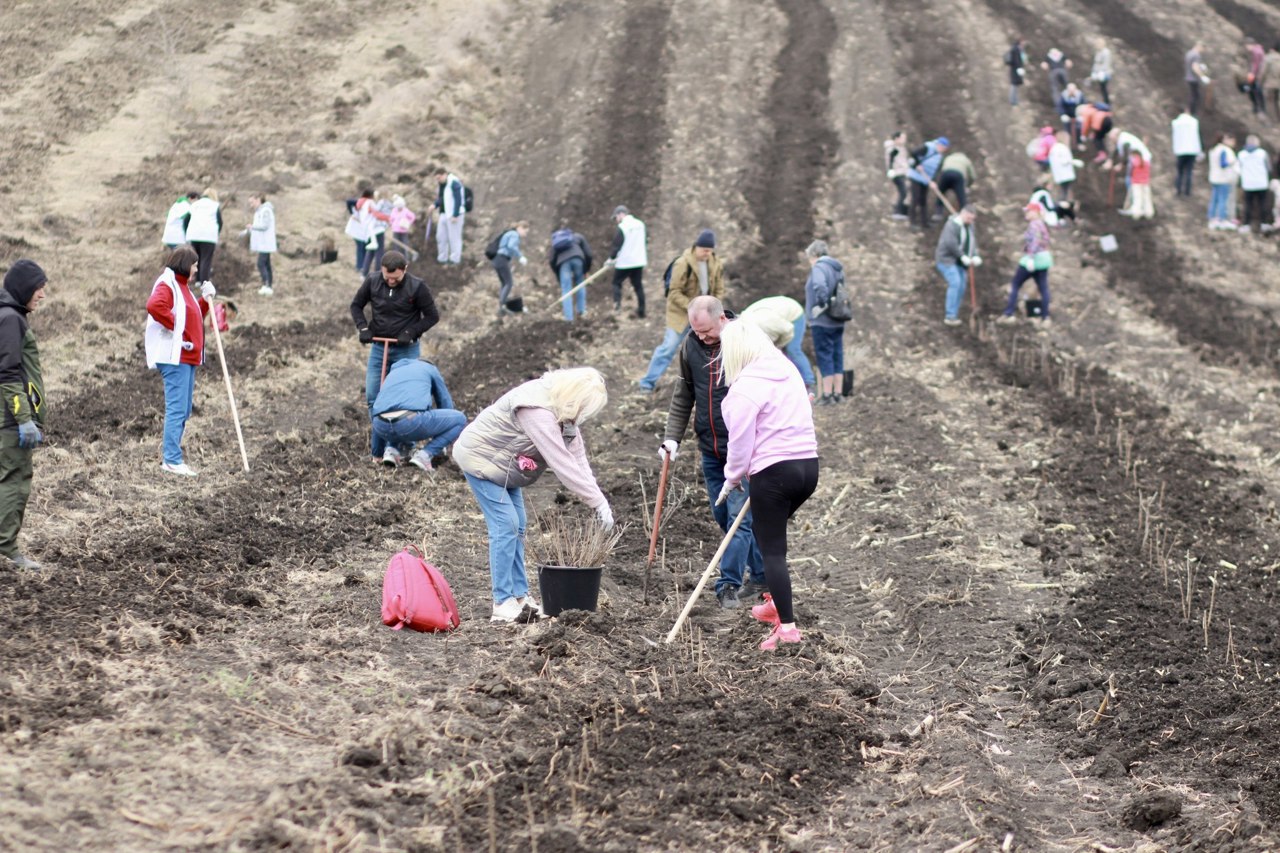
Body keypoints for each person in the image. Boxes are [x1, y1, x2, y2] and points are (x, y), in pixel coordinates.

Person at [453, 367, 613, 623]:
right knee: (506, 525)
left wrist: (600, 501)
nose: (583, 414)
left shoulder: (563, 412)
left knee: (519, 526)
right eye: (584, 407)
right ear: (573, 397)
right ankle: (502, 602)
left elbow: (578, 457)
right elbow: (562, 462)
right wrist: (594, 500)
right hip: (480, 460)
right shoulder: (537, 409)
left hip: (504, 466)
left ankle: (521, 596)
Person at [717, 320, 819, 651]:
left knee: (772, 550)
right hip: (807, 469)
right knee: (769, 538)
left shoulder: (744, 387)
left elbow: (740, 444)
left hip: (773, 473)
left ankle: (786, 629)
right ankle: (776, 600)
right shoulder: (787, 370)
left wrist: (732, 477)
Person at [659, 296, 764, 609]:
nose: (701, 337)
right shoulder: (691, 346)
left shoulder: (745, 343)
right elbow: (684, 392)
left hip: (742, 450)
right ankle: (761, 573)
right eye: (695, 330)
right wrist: (672, 438)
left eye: (706, 332)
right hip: (710, 447)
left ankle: (727, 586)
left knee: (737, 521)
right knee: (723, 517)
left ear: (722, 319)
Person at [349, 251, 440, 464]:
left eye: (396, 278)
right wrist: (363, 327)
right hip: (380, 347)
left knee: (403, 399)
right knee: (374, 397)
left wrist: (411, 333)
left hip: (406, 350)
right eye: (387, 277)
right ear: (381, 270)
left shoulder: (417, 287)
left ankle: (400, 446)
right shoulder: (372, 281)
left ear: (405, 270)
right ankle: (379, 451)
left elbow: (432, 316)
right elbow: (356, 306)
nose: (390, 282)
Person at [145, 246, 215, 477]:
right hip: (175, 357)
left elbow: (193, 316)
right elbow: (155, 306)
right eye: (194, 264)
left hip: (187, 356)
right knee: (176, 409)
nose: (196, 269)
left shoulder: (182, 287)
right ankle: (172, 460)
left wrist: (205, 301)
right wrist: (176, 326)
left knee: (183, 410)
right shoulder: (168, 284)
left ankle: (172, 457)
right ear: (185, 264)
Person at [0, 260, 49, 569]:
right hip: (9, 420)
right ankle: (7, 549)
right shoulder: (10, 320)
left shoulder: (9, 316)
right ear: (23, 289)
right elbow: (7, 373)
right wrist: (24, 419)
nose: (42, 295)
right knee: (15, 480)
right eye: (38, 288)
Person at [637, 229, 723, 392]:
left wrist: (714, 307)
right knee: (668, 348)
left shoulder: (715, 263)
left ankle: (703, 386)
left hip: (705, 317)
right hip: (681, 315)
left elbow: (719, 288)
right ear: (697, 247)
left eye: (710, 251)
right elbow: (674, 292)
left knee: (705, 351)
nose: (707, 254)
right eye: (705, 250)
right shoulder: (683, 263)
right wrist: (695, 307)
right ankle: (647, 383)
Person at [370, 358, 466, 473]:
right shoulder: (430, 369)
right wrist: (440, 441)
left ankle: (391, 451)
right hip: (410, 422)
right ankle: (425, 455)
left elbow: (378, 412)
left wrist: (377, 453)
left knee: (393, 412)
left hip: (380, 425)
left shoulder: (394, 372)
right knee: (459, 419)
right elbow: (445, 402)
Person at [740, 295, 817, 394]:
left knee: (792, 350)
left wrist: (779, 346)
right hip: (775, 313)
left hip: (794, 314)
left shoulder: (768, 324)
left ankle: (809, 382)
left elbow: (788, 331)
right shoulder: (743, 325)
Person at [803, 240, 848, 405]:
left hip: (822, 320)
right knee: (837, 354)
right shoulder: (837, 268)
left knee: (824, 354)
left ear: (814, 255)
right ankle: (838, 393)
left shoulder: (819, 267)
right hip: (838, 319)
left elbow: (820, 286)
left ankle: (827, 395)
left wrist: (822, 304)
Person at [997, 202, 1052, 328]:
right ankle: (1045, 317)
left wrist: (1031, 257)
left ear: (1035, 212)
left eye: (1028, 211)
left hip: (1033, 259)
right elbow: (1046, 241)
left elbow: (1035, 241)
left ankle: (1009, 313)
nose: (1026, 213)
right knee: (1043, 288)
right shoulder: (1042, 224)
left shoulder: (1034, 225)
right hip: (1044, 259)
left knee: (1015, 284)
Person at [934, 206, 979, 326]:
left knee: (962, 285)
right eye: (969, 218)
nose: (970, 221)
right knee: (955, 282)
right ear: (963, 214)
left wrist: (975, 255)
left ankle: (954, 313)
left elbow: (972, 242)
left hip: (960, 262)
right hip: (946, 259)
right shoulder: (951, 225)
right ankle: (950, 316)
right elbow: (950, 243)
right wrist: (962, 256)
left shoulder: (970, 226)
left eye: (972, 219)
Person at [606, 205, 647, 316]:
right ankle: (642, 311)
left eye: (616, 218)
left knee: (616, 283)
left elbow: (616, 245)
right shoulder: (640, 224)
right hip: (638, 261)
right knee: (638, 285)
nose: (616, 221)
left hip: (625, 262)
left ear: (621, 214)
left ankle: (617, 308)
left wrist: (610, 259)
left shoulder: (623, 227)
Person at [548, 225, 593, 322]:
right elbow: (589, 254)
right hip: (578, 260)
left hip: (563, 264)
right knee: (580, 284)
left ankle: (569, 318)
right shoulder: (578, 237)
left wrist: (558, 275)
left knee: (566, 289)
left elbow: (551, 260)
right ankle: (582, 312)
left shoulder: (556, 241)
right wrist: (586, 270)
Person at [906, 137, 949, 229]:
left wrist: (933, 181)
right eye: (943, 147)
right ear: (939, 144)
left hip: (926, 179)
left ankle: (924, 223)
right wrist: (917, 164)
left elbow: (937, 171)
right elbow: (913, 153)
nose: (943, 150)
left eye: (945, 149)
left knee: (923, 200)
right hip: (916, 176)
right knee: (915, 198)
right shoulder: (927, 147)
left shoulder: (940, 156)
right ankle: (912, 222)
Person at [239, 194, 278, 295]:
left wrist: (252, 227)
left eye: (252, 202)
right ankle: (268, 286)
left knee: (261, 264)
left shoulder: (266, 211)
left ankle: (266, 285)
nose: (251, 205)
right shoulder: (259, 211)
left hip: (265, 243)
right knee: (267, 264)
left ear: (258, 200)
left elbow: (264, 226)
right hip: (263, 243)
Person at [491, 221, 529, 317]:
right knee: (509, 283)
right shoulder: (514, 234)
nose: (525, 235)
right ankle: (502, 305)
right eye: (525, 232)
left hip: (497, 260)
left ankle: (503, 306)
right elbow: (511, 246)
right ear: (520, 228)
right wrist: (520, 256)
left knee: (504, 283)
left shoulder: (509, 233)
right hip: (502, 259)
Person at [184, 188, 221, 285]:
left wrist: (186, 232)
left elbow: (186, 220)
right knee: (206, 259)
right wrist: (217, 232)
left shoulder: (195, 204)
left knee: (197, 258)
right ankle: (204, 282)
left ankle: (198, 280)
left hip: (194, 235)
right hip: (208, 236)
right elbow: (220, 222)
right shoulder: (215, 205)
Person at [431, 168, 466, 264]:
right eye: (437, 179)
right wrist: (435, 205)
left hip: (454, 214)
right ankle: (442, 258)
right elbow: (442, 197)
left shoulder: (454, 182)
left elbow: (458, 199)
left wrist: (455, 214)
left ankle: (455, 259)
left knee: (454, 237)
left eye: (439, 178)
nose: (438, 180)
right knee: (441, 236)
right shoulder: (442, 184)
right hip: (444, 213)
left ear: (444, 174)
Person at [1237, 135, 1271, 234]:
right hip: (1261, 182)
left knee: (1247, 205)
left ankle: (1246, 225)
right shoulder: (1262, 153)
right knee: (1263, 204)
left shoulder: (1241, 154)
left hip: (1247, 183)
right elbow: (1268, 168)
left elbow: (1238, 167)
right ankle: (1264, 224)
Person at [1207, 133, 1240, 229]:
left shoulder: (1213, 149)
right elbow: (1223, 164)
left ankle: (1212, 219)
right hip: (1223, 178)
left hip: (1214, 177)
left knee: (1214, 199)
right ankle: (1222, 219)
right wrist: (1232, 162)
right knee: (1223, 200)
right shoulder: (1223, 150)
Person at [1170, 111, 1202, 198]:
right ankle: (1187, 191)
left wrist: (1175, 149)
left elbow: (1175, 137)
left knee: (1180, 171)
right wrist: (1198, 151)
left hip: (1180, 150)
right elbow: (1196, 137)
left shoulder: (1176, 123)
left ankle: (1178, 190)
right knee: (1189, 171)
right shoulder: (1193, 122)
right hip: (1191, 150)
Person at [936, 149, 976, 215]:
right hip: (958, 176)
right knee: (961, 197)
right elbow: (973, 176)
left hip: (946, 174)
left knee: (941, 193)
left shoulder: (949, 157)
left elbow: (940, 167)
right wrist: (968, 185)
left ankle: (938, 213)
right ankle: (963, 214)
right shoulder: (966, 160)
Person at [362, 192, 393, 276]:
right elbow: (379, 215)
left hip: (373, 231)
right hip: (378, 230)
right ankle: (377, 273)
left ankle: (364, 272)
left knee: (371, 251)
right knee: (379, 252)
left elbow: (377, 214)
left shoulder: (378, 204)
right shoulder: (384, 204)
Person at [884, 131, 911, 220]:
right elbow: (891, 159)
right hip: (897, 172)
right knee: (903, 191)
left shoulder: (901, 148)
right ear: (896, 138)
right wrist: (891, 170)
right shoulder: (893, 148)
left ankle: (903, 212)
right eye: (902, 138)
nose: (904, 140)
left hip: (902, 172)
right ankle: (897, 212)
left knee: (904, 192)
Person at [1048, 131, 1079, 203]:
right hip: (1065, 174)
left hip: (1058, 174)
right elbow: (1064, 161)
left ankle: (1064, 203)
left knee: (1063, 190)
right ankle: (1065, 204)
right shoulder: (1062, 148)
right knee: (1065, 191)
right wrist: (1073, 161)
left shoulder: (1054, 148)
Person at [1186, 42, 1209, 116]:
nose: (1203, 51)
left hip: (1188, 77)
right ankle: (1192, 113)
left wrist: (1200, 66)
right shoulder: (1196, 55)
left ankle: (1190, 112)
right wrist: (1202, 76)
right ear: (1200, 47)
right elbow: (1194, 67)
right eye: (1203, 49)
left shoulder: (1189, 53)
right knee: (1195, 96)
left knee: (1193, 95)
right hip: (1194, 79)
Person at [1246, 38, 1267, 118]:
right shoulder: (1259, 50)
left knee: (1256, 91)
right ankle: (1260, 108)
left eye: (1247, 46)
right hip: (1259, 75)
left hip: (1257, 75)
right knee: (1257, 91)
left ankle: (1259, 108)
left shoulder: (1255, 51)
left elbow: (1255, 64)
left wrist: (1252, 74)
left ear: (1250, 45)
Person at [1005, 38, 1028, 106]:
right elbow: (1017, 60)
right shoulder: (1015, 49)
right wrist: (1019, 67)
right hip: (1015, 69)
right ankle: (1013, 101)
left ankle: (1014, 100)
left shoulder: (1016, 49)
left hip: (1015, 68)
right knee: (1014, 84)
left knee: (1015, 84)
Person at [1091, 38, 1113, 106]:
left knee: (1104, 88)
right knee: (1101, 88)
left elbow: (1106, 64)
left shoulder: (1106, 52)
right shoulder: (1098, 52)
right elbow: (1095, 63)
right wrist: (1094, 72)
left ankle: (1107, 103)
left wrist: (1100, 72)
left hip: (1104, 73)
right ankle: (1103, 102)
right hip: (1098, 72)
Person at [1263, 42, 1280, 122]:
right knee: (1278, 101)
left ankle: (1272, 120)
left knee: (1270, 102)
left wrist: (1260, 82)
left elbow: (1263, 72)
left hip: (1269, 83)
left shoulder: (1268, 58)